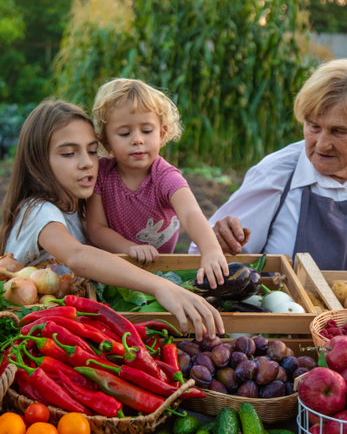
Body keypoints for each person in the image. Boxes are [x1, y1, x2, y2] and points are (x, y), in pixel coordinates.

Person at [0, 99, 225, 340]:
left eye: (92, 151)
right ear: (38, 162)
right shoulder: (40, 210)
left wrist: (215, 237)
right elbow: (77, 256)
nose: (87, 162)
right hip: (27, 337)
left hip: (61, 331)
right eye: (69, 153)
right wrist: (161, 286)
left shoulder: (78, 205)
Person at [189, 59, 347, 270]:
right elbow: (203, 258)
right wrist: (219, 241)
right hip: (288, 304)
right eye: (313, 126)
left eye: (339, 131)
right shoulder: (278, 173)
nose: (322, 144)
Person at [87, 78, 228, 288]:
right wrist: (129, 248)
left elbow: (190, 214)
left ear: (161, 134)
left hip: (159, 272)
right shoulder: (102, 175)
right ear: (107, 141)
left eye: (146, 131)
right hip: (113, 271)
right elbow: (96, 228)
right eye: (125, 133)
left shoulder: (165, 176)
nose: (137, 140)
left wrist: (211, 250)